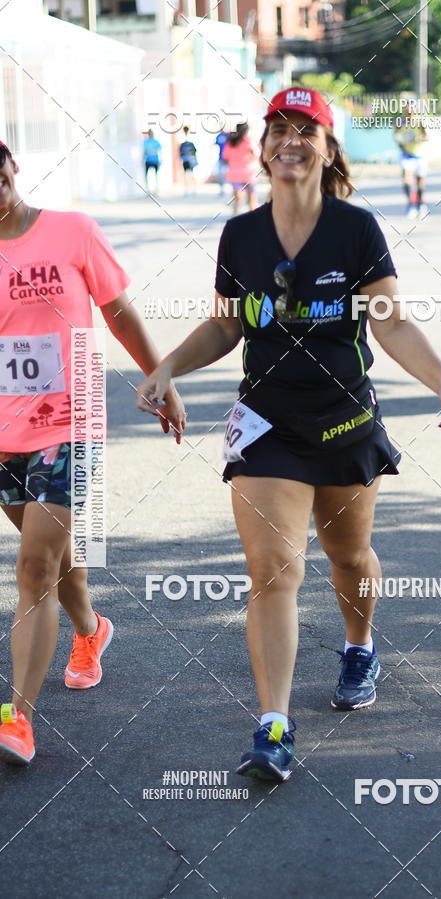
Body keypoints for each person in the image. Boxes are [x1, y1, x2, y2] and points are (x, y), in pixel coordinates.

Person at [136, 88, 441, 783]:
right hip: (268, 423)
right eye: (279, 130)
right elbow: (228, 324)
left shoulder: (356, 229)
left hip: (346, 418)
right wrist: (165, 366)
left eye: (306, 130)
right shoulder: (241, 235)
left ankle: (359, 645)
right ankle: (274, 727)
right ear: (261, 149)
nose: (292, 141)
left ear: (327, 147)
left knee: (348, 558)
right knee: (274, 571)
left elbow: (391, 321)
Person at [0, 140, 186, 765]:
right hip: (3, 431)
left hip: (68, 422)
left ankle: (17, 719)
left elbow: (119, 312)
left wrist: (159, 378)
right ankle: (90, 630)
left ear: (12, 165)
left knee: (32, 569)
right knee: (47, 554)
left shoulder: (73, 232)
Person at [393, 115, 429, 219]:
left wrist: (416, 138)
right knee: (406, 180)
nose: (410, 110)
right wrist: (400, 143)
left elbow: (427, 137)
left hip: (419, 155)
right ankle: (411, 205)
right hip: (407, 155)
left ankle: (421, 205)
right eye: (408, 107)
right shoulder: (401, 121)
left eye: (412, 107)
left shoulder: (420, 121)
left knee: (420, 182)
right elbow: (395, 135)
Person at [222, 122, 259, 216]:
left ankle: (235, 221)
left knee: (237, 201)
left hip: (235, 175)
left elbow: (225, 156)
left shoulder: (230, 142)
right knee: (252, 200)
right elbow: (256, 155)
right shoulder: (249, 141)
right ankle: (255, 221)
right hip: (249, 175)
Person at [179, 125, 198, 196]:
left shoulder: (190, 140)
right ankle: (188, 190)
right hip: (187, 160)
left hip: (189, 160)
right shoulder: (183, 140)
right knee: (188, 175)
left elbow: (194, 151)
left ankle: (192, 190)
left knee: (190, 175)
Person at [143, 128, 162, 194]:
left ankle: (156, 189)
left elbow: (159, 152)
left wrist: (160, 161)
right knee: (147, 175)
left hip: (155, 160)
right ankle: (148, 190)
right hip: (148, 160)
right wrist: (142, 160)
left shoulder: (156, 142)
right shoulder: (145, 142)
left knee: (155, 175)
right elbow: (144, 152)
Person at [215, 128, 229, 198]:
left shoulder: (229, 135)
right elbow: (215, 144)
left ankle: (234, 190)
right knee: (220, 175)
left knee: (231, 174)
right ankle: (222, 190)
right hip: (221, 158)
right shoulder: (219, 136)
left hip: (230, 158)